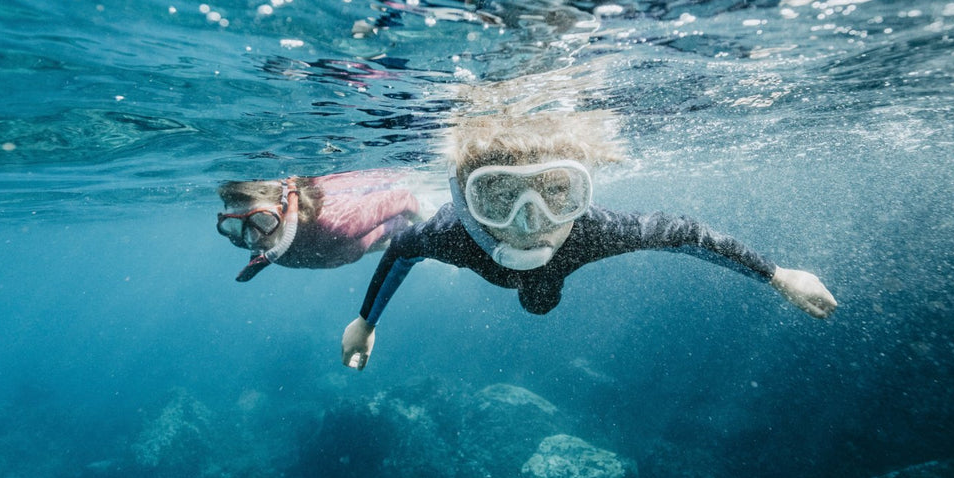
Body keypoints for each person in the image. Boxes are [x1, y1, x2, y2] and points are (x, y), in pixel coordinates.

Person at [341, 110, 838, 370]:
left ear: (583, 192)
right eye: (498, 194)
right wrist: (364, 322)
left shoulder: (592, 231)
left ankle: (538, 284)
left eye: (557, 191)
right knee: (536, 301)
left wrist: (778, 274)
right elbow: (401, 249)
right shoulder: (452, 232)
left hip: (549, 277)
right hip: (510, 264)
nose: (530, 221)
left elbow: (688, 233)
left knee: (540, 303)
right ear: (465, 200)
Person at [218, 169, 424, 282]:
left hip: (399, 228)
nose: (253, 239)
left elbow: (405, 199)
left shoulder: (340, 225)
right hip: (368, 245)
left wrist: (426, 231)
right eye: (235, 226)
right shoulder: (265, 244)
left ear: (287, 208)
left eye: (263, 221)